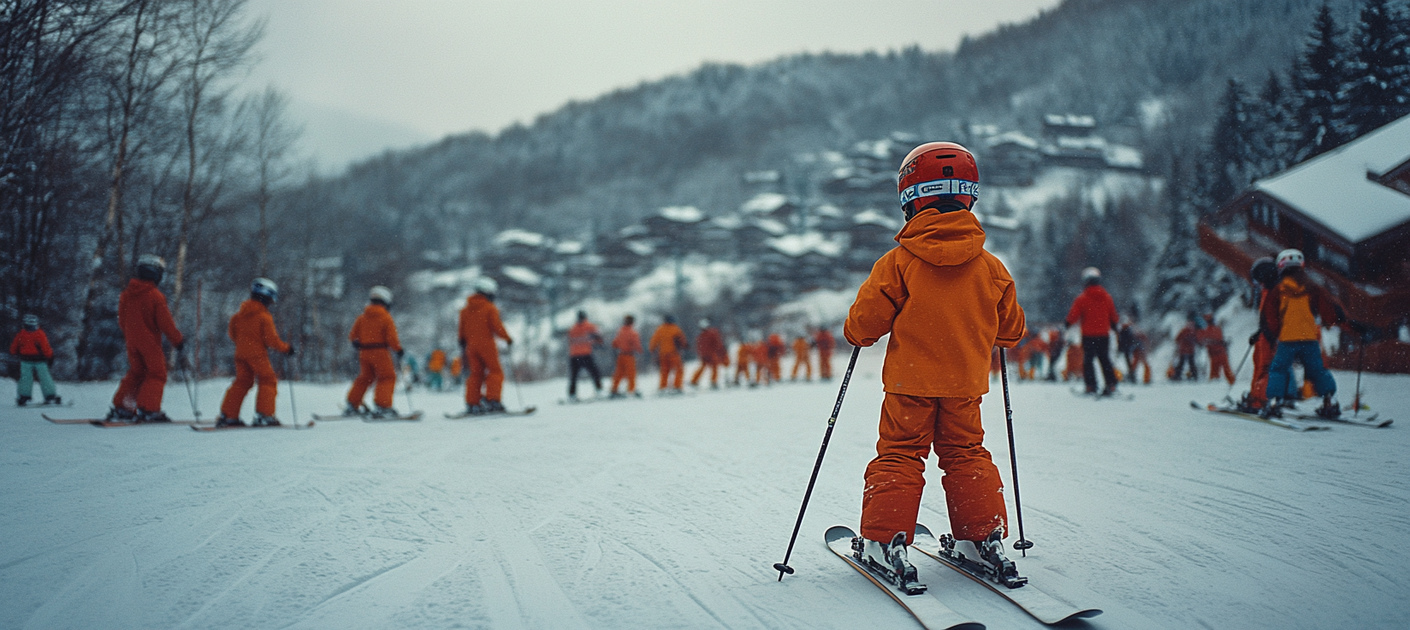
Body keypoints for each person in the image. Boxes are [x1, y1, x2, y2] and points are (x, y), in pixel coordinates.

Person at [844, 141, 1026, 589]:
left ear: (909, 197)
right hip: (965, 385)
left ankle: (885, 541)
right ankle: (982, 538)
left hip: (910, 384)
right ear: (970, 195)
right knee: (966, 454)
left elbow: (862, 326)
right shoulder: (991, 268)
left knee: (902, 454)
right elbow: (1012, 331)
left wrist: (858, 334)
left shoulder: (899, 264)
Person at [1263, 249, 1348, 419]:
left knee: (1278, 369)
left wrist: (1272, 336)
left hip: (1287, 339)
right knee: (1317, 370)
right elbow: (1329, 309)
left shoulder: (1278, 290)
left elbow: (1270, 317)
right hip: (1309, 338)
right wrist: (1337, 320)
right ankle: (1329, 401)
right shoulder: (1313, 288)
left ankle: (1274, 403)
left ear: (1281, 266)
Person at [106, 254, 184, 423]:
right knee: (157, 373)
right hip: (148, 341)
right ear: (156, 274)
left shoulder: (127, 295)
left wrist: (133, 333)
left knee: (137, 372)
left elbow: (122, 320)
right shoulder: (155, 296)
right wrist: (178, 341)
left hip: (131, 341)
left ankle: (123, 407)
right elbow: (166, 324)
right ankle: (149, 409)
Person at [217, 278, 294, 427]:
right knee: (268, 380)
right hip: (257, 355)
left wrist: (244, 345)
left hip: (240, 355)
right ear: (266, 296)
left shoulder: (238, 316)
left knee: (242, 382)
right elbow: (271, 340)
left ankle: (228, 416)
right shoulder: (264, 317)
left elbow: (233, 334)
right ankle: (264, 416)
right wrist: (286, 348)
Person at [346, 286, 403, 417]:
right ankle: (383, 406)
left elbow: (353, 336)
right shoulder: (385, 317)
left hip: (364, 353)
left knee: (365, 377)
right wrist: (398, 349)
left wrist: (361, 343)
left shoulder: (362, 317)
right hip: (380, 352)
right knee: (387, 377)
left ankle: (352, 404)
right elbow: (391, 338)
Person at [460, 277, 512, 414]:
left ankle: (472, 403)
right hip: (486, 344)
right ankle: (493, 401)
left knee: (475, 374)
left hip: (470, 346)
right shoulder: (489, 308)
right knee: (495, 372)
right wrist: (507, 338)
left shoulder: (465, 310)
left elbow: (461, 330)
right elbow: (497, 327)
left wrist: (462, 341)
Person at [1065, 267, 1119, 395]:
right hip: (1103, 335)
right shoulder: (1107, 297)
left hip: (1088, 335)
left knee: (1088, 361)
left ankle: (1091, 386)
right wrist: (1115, 326)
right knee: (1104, 359)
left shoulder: (1082, 298)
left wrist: (1067, 324)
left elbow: (1074, 315)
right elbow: (1113, 315)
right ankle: (1111, 384)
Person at [1240, 257, 1281, 412]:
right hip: (1264, 336)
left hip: (1270, 337)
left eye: (1258, 280)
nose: (1258, 284)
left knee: (1265, 368)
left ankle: (1261, 400)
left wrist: (1270, 335)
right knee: (1259, 365)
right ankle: (1255, 397)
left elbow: (1274, 318)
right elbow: (1265, 318)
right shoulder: (1266, 291)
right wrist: (1259, 333)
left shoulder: (1274, 292)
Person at [11, 314, 60, 406]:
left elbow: (13, 347)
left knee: (26, 378)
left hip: (26, 360)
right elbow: (46, 347)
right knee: (45, 378)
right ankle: (50, 396)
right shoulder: (39, 334)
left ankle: (24, 396)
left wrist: (14, 353)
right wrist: (50, 356)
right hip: (39, 360)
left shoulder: (21, 334)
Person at [567, 310, 604, 400]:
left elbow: (570, 340)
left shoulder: (573, 328)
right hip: (585, 354)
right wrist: (597, 343)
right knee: (595, 373)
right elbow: (599, 337)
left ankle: (572, 395)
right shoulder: (590, 326)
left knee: (574, 376)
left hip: (574, 355)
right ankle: (599, 391)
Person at [649, 315, 687, 393]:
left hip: (663, 354)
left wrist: (652, 349)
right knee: (678, 370)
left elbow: (654, 340)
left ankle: (663, 387)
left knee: (664, 371)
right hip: (674, 354)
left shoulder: (660, 329)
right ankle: (677, 387)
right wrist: (685, 345)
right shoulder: (675, 328)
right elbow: (682, 339)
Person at [689, 319, 729, 388]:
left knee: (702, 368)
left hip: (704, 355)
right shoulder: (712, 333)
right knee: (714, 368)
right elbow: (717, 343)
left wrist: (701, 354)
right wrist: (721, 351)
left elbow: (699, 346)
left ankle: (694, 381)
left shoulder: (700, 336)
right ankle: (713, 382)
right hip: (711, 354)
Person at [610, 315, 642, 397]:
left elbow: (615, 343)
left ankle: (614, 389)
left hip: (620, 355)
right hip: (629, 355)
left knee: (619, 373)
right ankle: (631, 390)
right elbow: (636, 344)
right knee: (631, 373)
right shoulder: (633, 332)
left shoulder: (620, 331)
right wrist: (639, 350)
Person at [1199, 313, 1235, 384]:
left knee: (1215, 371)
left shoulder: (1207, 331)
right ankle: (1232, 381)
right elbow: (1219, 340)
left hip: (1215, 354)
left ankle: (1214, 384)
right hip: (1220, 352)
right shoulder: (1217, 329)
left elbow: (1205, 342)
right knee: (1226, 369)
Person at [1170, 314, 1199, 381]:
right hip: (1183, 350)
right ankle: (1178, 375)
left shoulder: (1193, 332)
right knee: (1182, 364)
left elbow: (1197, 340)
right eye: (1189, 324)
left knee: (1191, 364)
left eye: (1192, 324)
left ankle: (1193, 376)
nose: (1190, 325)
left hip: (1190, 350)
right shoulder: (1184, 331)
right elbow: (1177, 339)